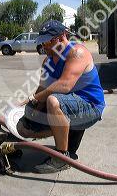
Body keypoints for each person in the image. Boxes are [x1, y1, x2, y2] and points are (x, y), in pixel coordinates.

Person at [16, 20, 106, 174]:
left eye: (47, 41)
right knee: (23, 128)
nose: (44, 46)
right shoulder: (48, 60)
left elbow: (64, 85)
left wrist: (34, 98)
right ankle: (66, 131)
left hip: (90, 107)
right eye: (42, 42)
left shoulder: (77, 52)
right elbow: (42, 87)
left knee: (52, 100)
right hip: (66, 107)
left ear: (62, 37)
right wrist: (33, 111)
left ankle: (61, 159)